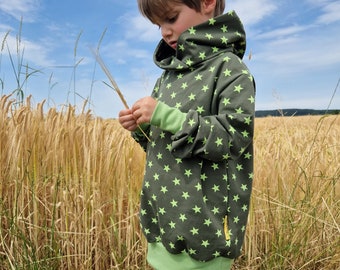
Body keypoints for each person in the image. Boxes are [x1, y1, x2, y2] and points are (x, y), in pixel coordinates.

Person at [118, 0, 255, 269]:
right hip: (164, 229)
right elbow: (163, 145)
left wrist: (165, 116)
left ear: (206, 2)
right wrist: (144, 127)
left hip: (206, 235)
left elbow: (233, 138)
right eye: (158, 25)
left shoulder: (230, 70)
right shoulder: (168, 76)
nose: (165, 32)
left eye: (171, 18)